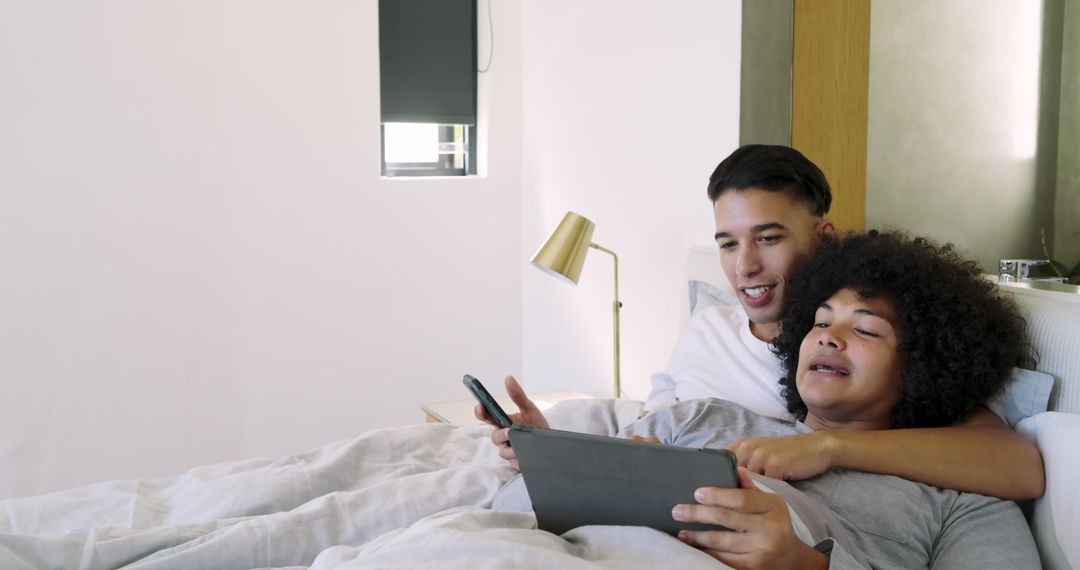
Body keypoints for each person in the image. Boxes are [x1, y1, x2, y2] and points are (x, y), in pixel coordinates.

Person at [480, 145, 1044, 501]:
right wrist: (556, 451)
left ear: (822, 239)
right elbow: (647, 431)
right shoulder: (710, 329)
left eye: (768, 238)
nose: (744, 266)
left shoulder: (866, 365)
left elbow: (1011, 462)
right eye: (727, 244)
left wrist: (828, 450)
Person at [501, 232, 1042, 568]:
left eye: (867, 330)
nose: (829, 336)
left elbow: (1020, 464)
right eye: (821, 321)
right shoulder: (701, 416)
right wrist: (549, 457)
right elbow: (529, 514)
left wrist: (804, 566)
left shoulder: (963, 501)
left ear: (923, 367)